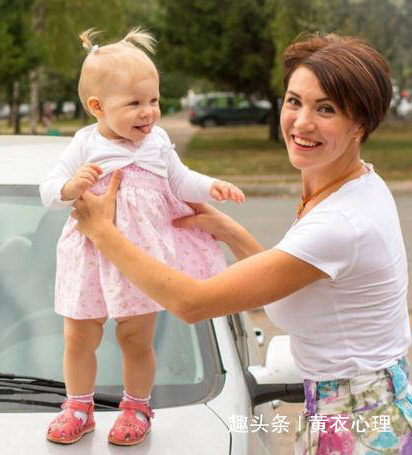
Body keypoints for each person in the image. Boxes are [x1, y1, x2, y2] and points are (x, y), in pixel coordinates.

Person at [71, 33, 412, 454]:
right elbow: (289, 279)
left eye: (326, 109)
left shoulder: (340, 222)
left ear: (361, 124)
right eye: (294, 101)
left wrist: (103, 233)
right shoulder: (355, 185)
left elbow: (191, 303)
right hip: (364, 401)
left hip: (357, 418)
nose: (301, 122)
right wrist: (230, 231)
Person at [39, 28, 245, 446]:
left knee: (135, 338)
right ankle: (78, 406)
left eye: (153, 100)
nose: (148, 112)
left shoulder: (158, 143)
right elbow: (48, 192)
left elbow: (180, 180)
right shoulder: (84, 143)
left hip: (141, 259)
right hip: (91, 256)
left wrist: (211, 187)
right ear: (97, 106)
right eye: (134, 103)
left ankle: (137, 406)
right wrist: (72, 186)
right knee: (80, 335)